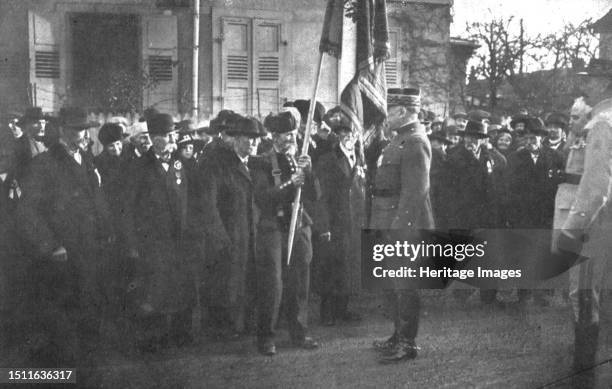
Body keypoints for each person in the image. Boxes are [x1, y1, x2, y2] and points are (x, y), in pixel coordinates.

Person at [17, 107, 112, 366]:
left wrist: (106, 233)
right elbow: (27, 212)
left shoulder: (86, 159)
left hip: (90, 249)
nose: (81, 135)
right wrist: (51, 246)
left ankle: (86, 370)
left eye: (83, 130)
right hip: (63, 255)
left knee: (89, 312)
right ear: (61, 131)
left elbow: (96, 200)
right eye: (74, 130)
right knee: (64, 320)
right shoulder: (44, 164)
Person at [555, 59, 612, 382]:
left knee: (584, 294)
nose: (585, 85)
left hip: (595, 225)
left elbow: (595, 187)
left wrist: (572, 229)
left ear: (605, 82)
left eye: (591, 79)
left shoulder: (602, 122)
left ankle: (583, 374)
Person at [370, 88, 434, 363]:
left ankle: (408, 342)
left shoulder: (415, 142)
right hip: (387, 218)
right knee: (393, 283)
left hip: (403, 224)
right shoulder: (399, 140)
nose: (386, 118)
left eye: (390, 113)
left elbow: (415, 192)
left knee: (405, 285)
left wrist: (399, 228)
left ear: (404, 112)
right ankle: (398, 335)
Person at [123, 113, 195, 351]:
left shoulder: (177, 163)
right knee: (155, 289)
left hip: (179, 239)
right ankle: (154, 338)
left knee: (179, 286)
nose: (172, 139)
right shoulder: (138, 167)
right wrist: (133, 243)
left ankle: (180, 334)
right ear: (154, 139)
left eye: (173, 134)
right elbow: (128, 208)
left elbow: (184, 197)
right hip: (152, 241)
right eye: (166, 135)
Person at [250, 111, 320, 356]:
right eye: (284, 135)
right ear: (274, 136)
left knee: (300, 281)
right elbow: (263, 197)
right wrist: (292, 183)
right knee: (273, 283)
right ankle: (266, 337)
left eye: (293, 134)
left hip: (299, 225)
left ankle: (299, 332)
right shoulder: (260, 162)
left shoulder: (301, 159)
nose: (290, 139)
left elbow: (315, 195)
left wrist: (308, 172)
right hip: (274, 227)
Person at [198, 117, 266, 338]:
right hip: (229, 235)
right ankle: (225, 327)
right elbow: (209, 205)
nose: (253, 144)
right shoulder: (218, 164)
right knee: (228, 282)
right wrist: (220, 237)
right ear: (236, 140)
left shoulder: (254, 165)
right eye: (249, 139)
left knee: (248, 280)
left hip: (250, 233)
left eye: (256, 140)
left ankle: (244, 323)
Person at [442, 120, 507, 304]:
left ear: (482, 140)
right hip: (463, 213)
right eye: (469, 137)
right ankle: (462, 291)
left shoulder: (492, 158)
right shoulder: (454, 158)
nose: (472, 141)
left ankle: (488, 294)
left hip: (487, 215)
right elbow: (448, 191)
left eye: (476, 138)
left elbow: (499, 187)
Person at [314, 107, 366, 326]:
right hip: (335, 222)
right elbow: (321, 196)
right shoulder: (328, 160)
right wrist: (324, 224)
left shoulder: (357, 159)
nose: (348, 138)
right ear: (336, 137)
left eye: (351, 134)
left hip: (352, 222)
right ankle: (327, 313)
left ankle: (342, 309)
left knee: (347, 267)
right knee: (332, 267)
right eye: (343, 135)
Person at [508, 116, 564, 305]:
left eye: (535, 137)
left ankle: (545, 291)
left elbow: (560, 186)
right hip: (523, 215)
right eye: (527, 138)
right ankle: (524, 292)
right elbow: (510, 189)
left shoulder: (555, 157)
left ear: (542, 137)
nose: (531, 141)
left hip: (546, 214)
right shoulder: (516, 158)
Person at [13, 107, 49, 179]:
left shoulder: (44, 142)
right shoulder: (21, 144)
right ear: (27, 124)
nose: (42, 126)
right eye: (37, 123)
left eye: (43, 122)